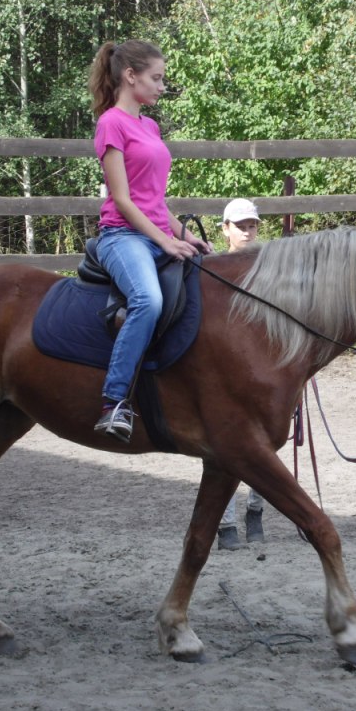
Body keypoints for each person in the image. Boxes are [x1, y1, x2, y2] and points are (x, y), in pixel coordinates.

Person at [87, 39, 211, 441]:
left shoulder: (150, 126)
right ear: (130, 76)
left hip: (155, 233)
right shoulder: (111, 123)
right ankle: (114, 402)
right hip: (122, 236)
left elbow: (154, 201)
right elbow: (123, 200)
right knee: (148, 300)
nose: (162, 86)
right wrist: (166, 241)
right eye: (156, 78)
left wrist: (185, 235)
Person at [216, 198, 266, 550]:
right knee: (224, 445)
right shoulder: (214, 268)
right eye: (240, 226)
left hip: (264, 370)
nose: (247, 232)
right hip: (227, 369)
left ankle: (256, 510)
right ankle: (226, 524)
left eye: (252, 226)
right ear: (226, 230)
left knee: (267, 443)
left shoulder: (269, 268)